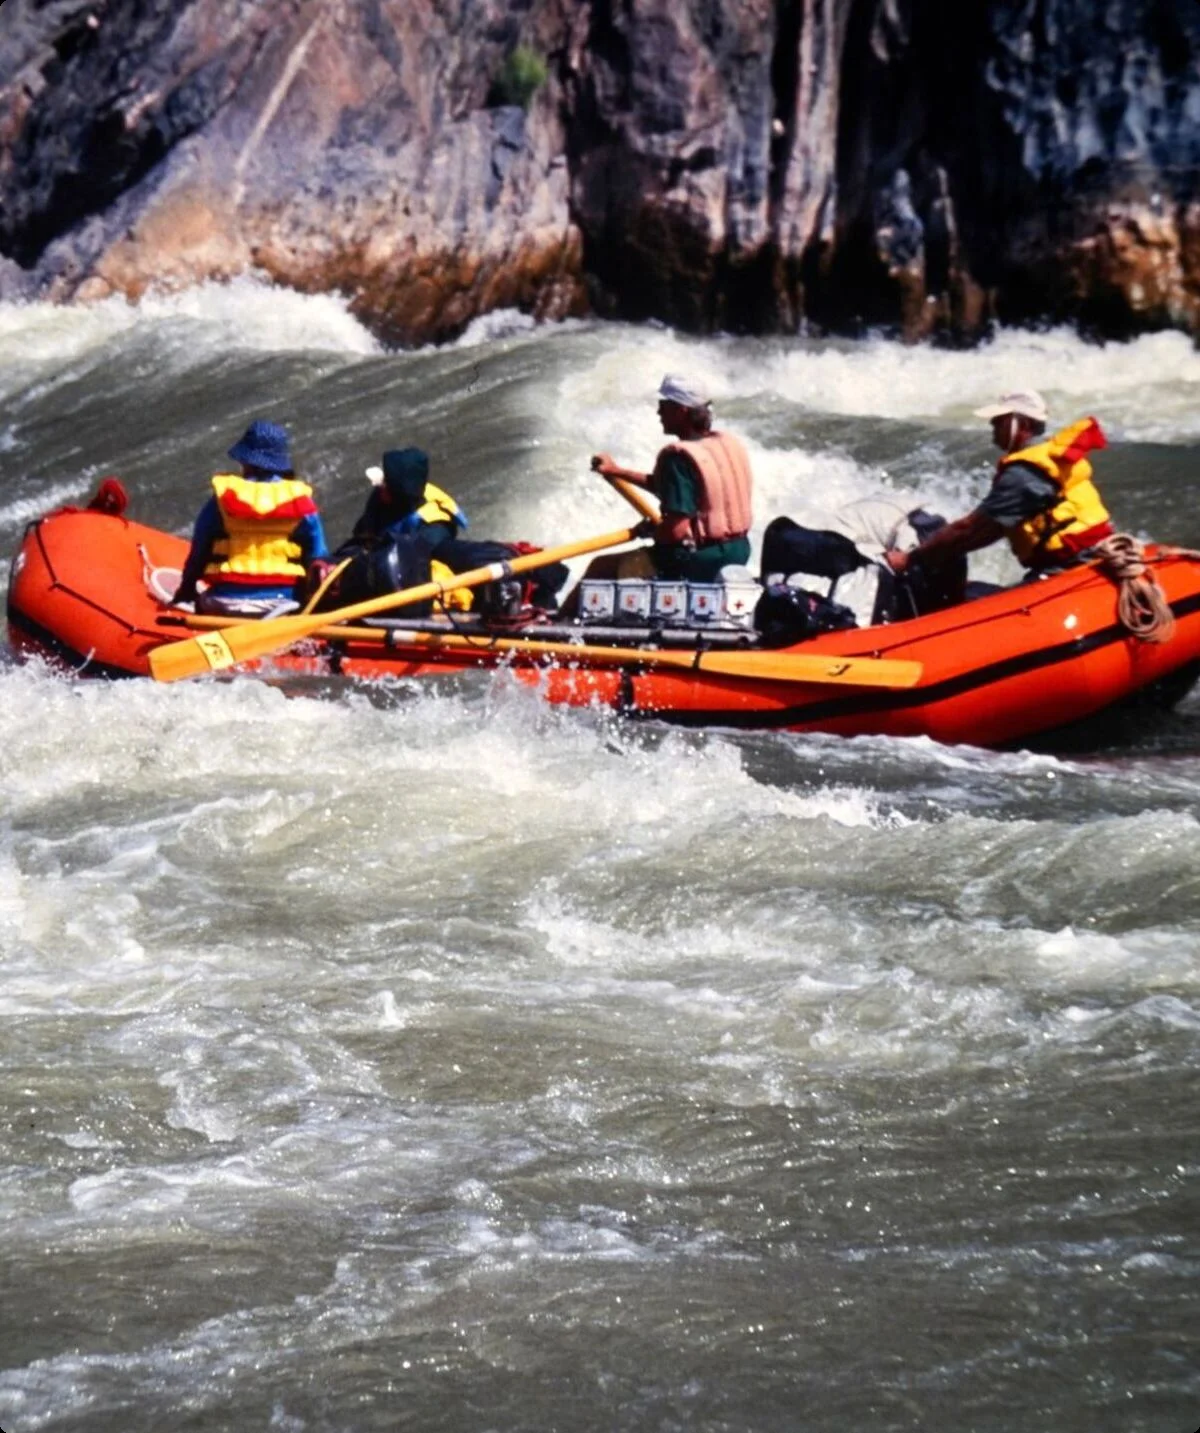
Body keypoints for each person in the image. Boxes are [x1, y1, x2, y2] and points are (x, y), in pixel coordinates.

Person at [886, 389, 1113, 583]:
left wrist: (911, 559)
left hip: (1072, 565)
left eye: (999, 422)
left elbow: (968, 528)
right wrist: (939, 553)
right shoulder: (1049, 457)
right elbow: (989, 531)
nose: (993, 428)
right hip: (1089, 555)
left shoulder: (1024, 474)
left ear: (1022, 424)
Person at [590, 374, 754, 581]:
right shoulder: (726, 444)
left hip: (697, 559)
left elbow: (676, 531)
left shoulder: (677, 457)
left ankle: (562, 615)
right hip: (738, 552)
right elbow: (673, 489)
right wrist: (615, 471)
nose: (659, 412)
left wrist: (650, 532)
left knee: (601, 568)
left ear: (681, 411)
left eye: (663, 406)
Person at [174, 420, 328, 615]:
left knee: (202, 602)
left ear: (246, 460)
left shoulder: (222, 499)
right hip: (284, 605)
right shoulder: (301, 502)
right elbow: (318, 558)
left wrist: (186, 590)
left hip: (224, 602)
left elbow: (199, 552)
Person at [351, 447, 467, 555]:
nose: (379, 486)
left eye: (386, 484)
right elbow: (361, 534)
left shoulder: (434, 529)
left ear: (398, 494)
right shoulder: (381, 498)